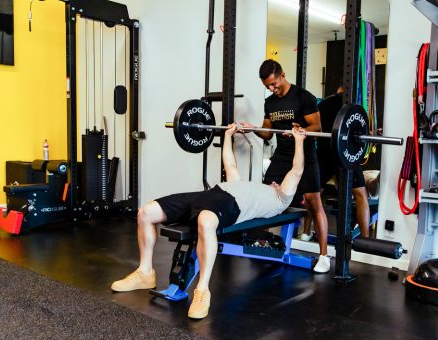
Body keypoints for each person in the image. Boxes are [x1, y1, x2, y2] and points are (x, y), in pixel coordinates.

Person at [111, 124, 306, 320]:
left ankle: (202, 290)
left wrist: (298, 141)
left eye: (279, 182)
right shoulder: (245, 185)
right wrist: (228, 135)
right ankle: (145, 272)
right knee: (146, 212)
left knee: (205, 221)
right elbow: (230, 164)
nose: (275, 182)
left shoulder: (281, 198)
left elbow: (296, 171)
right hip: (212, 193)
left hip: (231, 204)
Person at [238, 59, 330, 273]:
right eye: (267, 86)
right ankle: (263, 244)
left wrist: (301, 129)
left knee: (313, 202)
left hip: (305, 155)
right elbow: (268, 132)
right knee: (265, 196)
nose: (272, 88)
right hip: (282, 156)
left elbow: (317, 126)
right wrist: (252, 128)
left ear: (282, 75)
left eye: (274, 84)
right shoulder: (270, 103)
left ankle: (324, 256)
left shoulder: (302, 97)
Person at [315, 86, 372, 238]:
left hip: (325, 154)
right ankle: (365, 239)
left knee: (313, 196)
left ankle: (306, 232)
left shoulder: (323, 104)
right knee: (361, 195)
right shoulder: (354, 108)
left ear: (338, 88)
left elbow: (317, 129)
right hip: (346, 155)